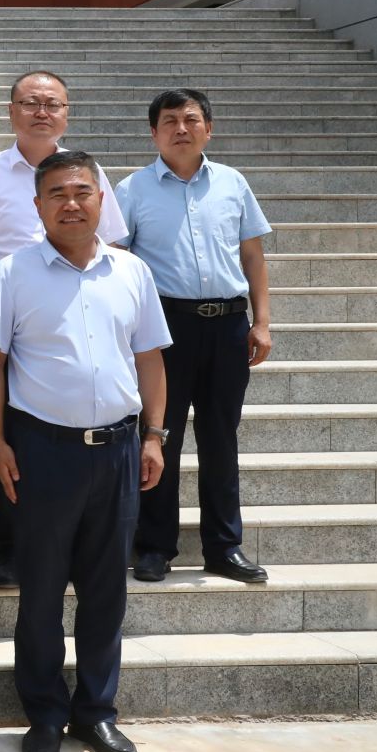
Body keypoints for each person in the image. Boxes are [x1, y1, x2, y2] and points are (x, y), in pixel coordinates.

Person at [0, 150, 170, 752]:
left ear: (101, 201)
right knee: (39, 591)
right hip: (43, 452)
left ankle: (96, 712)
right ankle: (44, 713)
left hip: (117, 450)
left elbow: (149, 358)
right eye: (57, 193)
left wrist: (154, 436)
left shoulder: (132, 272)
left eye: (82, 192)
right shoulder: (13, 273)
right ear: (37, 206)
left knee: (106, 590)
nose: (71, 203)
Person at [0, 70, 127, 591]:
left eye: (52, 104)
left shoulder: (86, 171)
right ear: (11, 111)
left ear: (66, 113)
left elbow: (113, 244)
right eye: (30, 103)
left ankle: (76, 542)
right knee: (10, 434)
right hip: (13, 319)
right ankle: (8, 548)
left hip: (78, 314)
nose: (41, 112)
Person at [117, 89, 273, 585]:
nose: (181, 129)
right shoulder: (132, 189)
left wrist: (262, 321)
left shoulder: (232, 183)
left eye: (191, 119)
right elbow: (117, 263)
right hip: (166, 326)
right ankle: (154, 546)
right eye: (169, 121)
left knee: (221, 438)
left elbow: (252, 256)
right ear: (153, 133)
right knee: (159, 434)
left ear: (209, 128)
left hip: (228, 324)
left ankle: (224, 547)